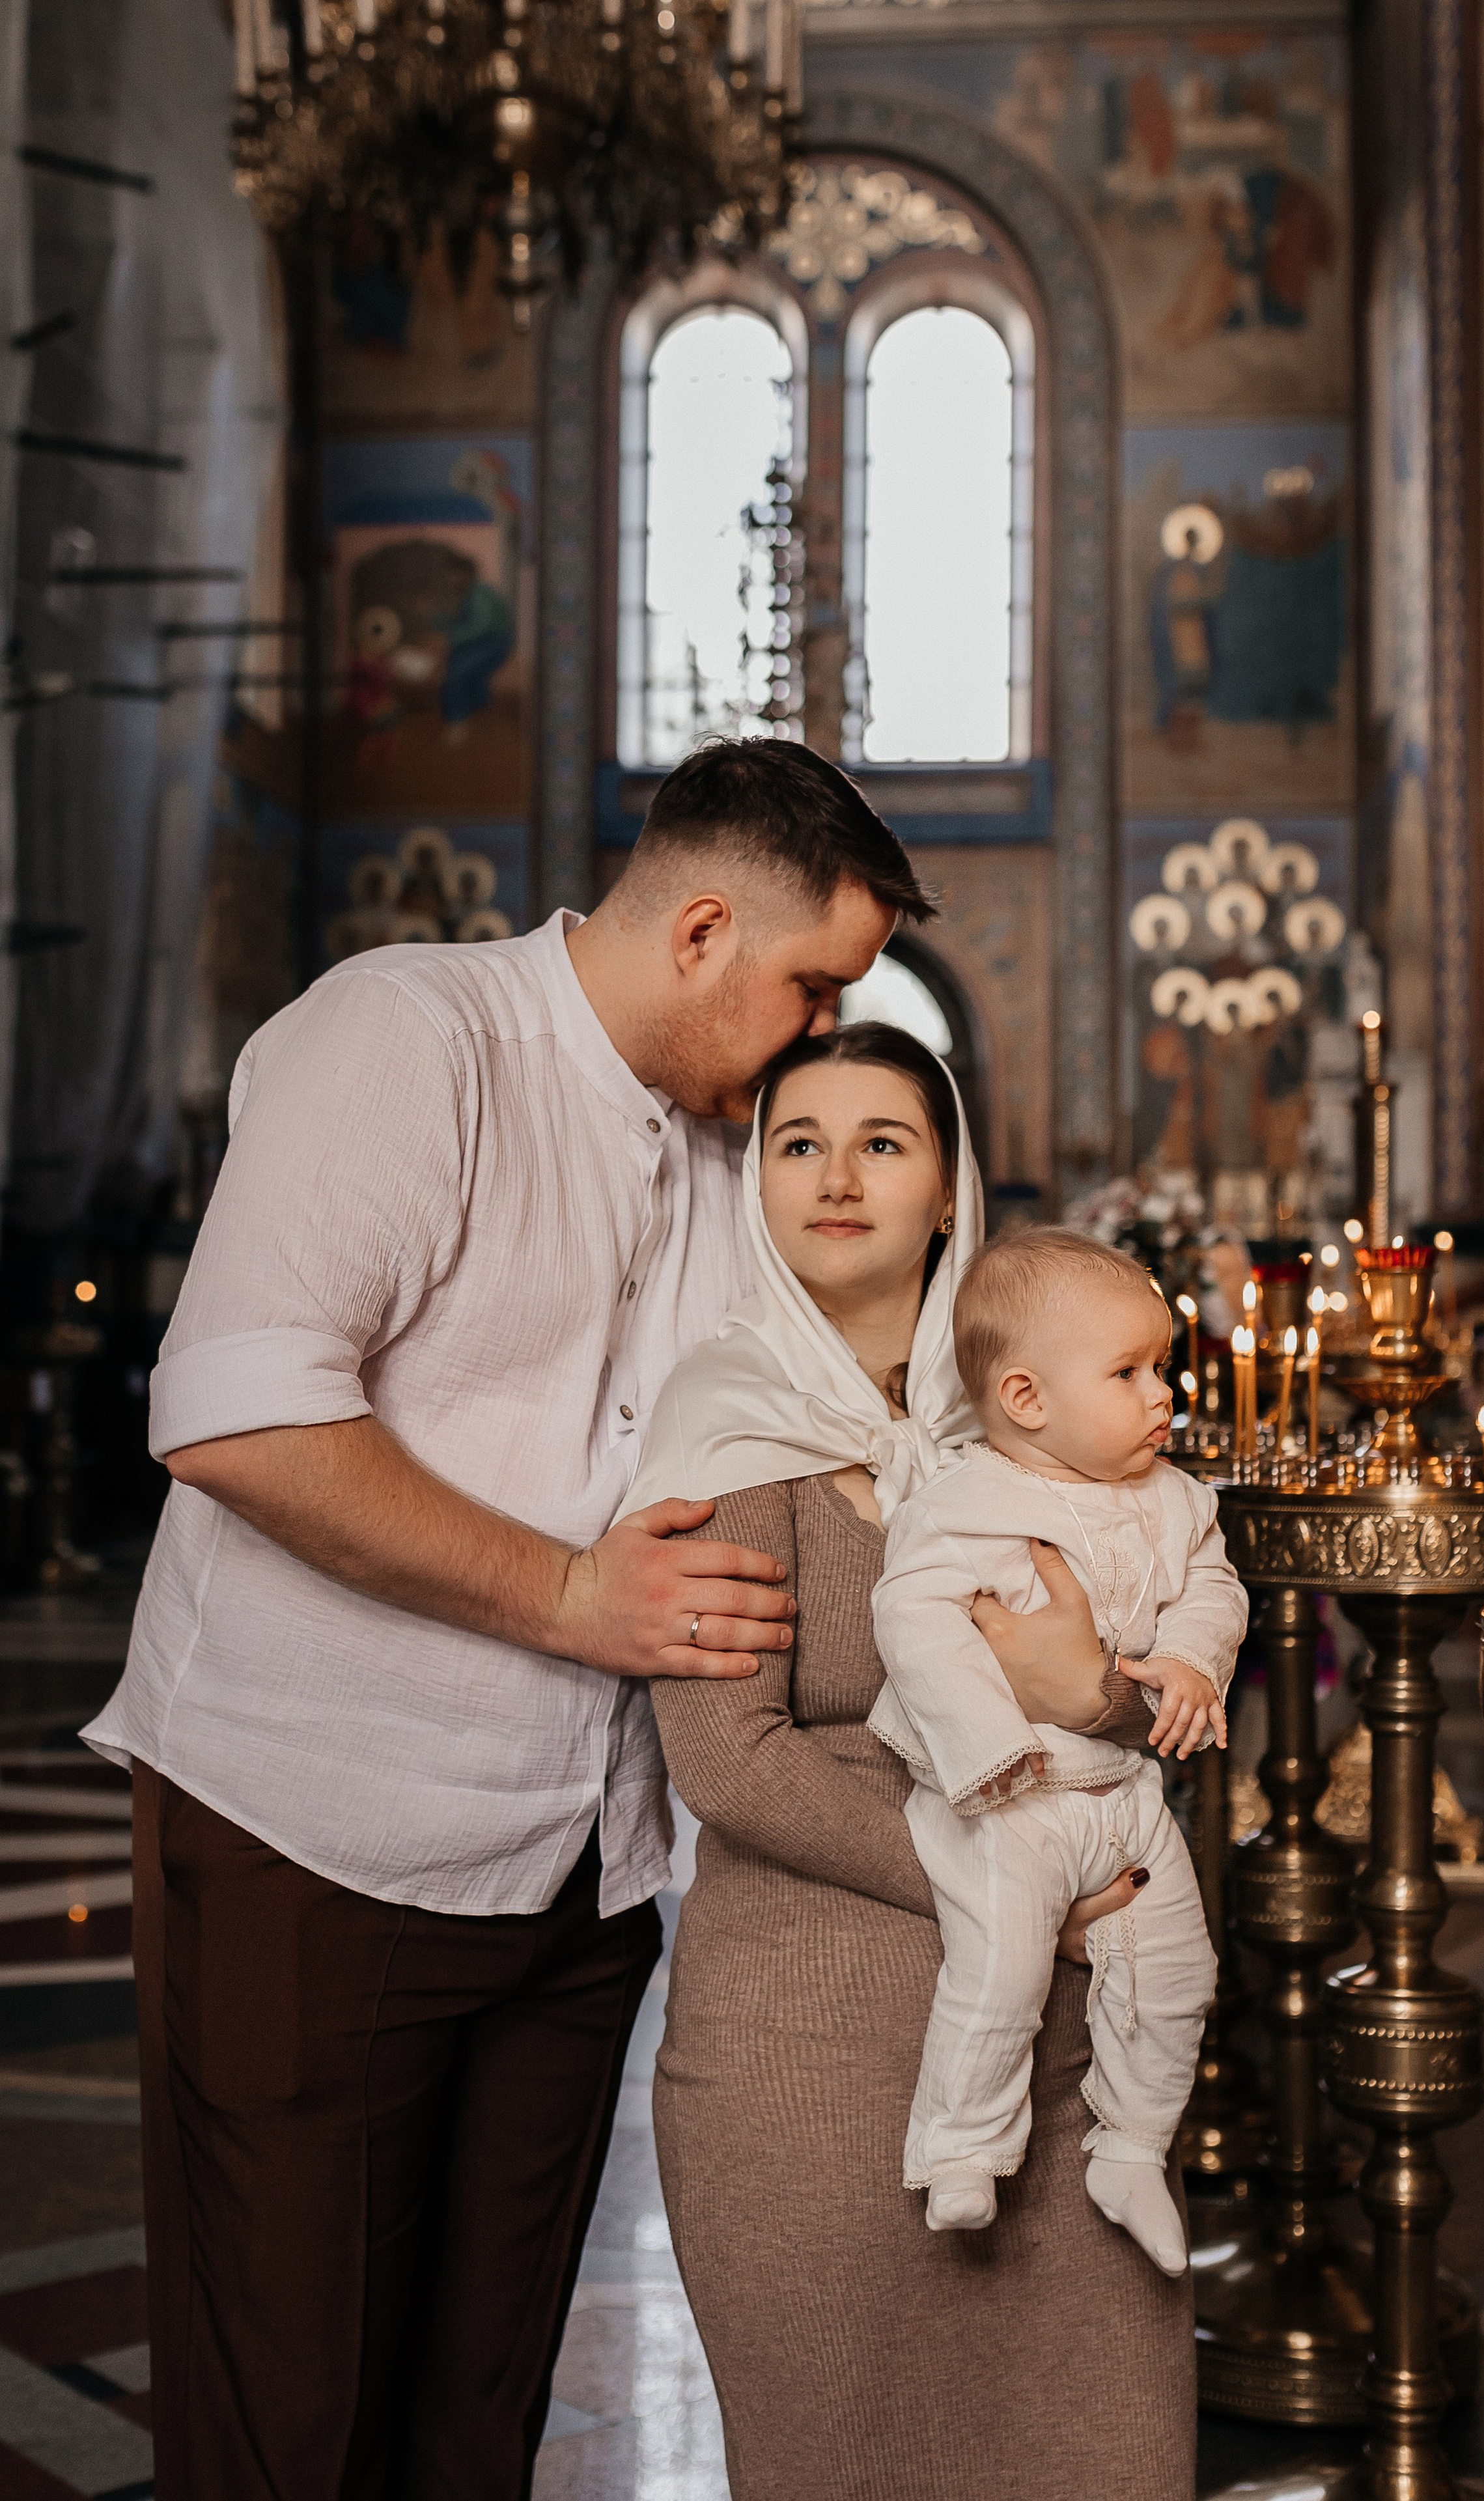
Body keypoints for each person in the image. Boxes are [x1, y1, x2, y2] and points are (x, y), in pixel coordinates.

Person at [81, 738, 930, 2500]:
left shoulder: (724, 1149)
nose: (826, 1029)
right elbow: (234, 1412)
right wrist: (563, 1590)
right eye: (815, 985)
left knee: (477, 2423)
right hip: (317, 1829)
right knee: (295, 2428)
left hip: (580, 1873)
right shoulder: (410, 1037)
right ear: (703, 930)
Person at [628, 1024, 1201, 2501]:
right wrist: (1013, 1873)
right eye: (794, 1141)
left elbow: (1164, 1677)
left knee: (1108, 2458)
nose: (833, 1174)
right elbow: (730, 1761)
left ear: (949, 1186)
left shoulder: (1048, 1405)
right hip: (807, 2059)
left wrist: (1101, 1696)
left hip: (1064, 2056)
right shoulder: (723, 1418)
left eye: (882, 1140)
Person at [869, 1229, 1245, 2268]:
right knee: (1000, 1971)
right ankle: (961, 2147)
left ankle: (1131, 2147)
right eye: (1129, 1372)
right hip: (1005, 1797)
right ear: (1027, 1398)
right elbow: (914, 1619)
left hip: (1122, 1788)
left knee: (1178, 1970)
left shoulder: (1174, 1497)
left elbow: (1214, 1585)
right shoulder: (968, 1503)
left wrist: (1188, 1658)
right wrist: (984, 1749)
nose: (1164, 1392)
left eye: (1160, 1365)